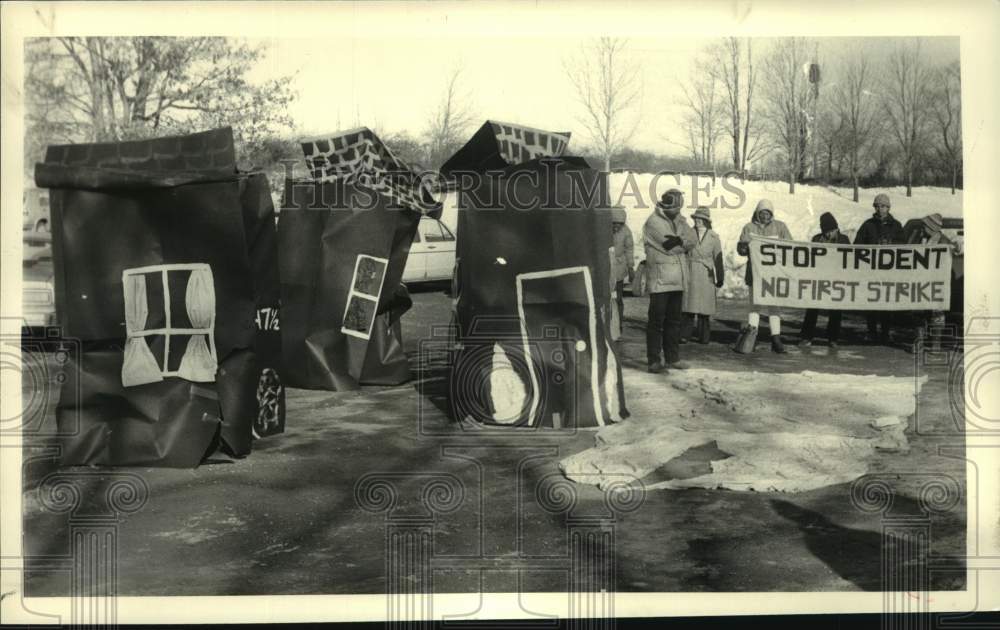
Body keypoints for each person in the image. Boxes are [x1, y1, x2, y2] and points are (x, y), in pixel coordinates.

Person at [644, 189, 696, 373]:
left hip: (678, 278)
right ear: (666, 206)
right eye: (676, 207)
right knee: (656, 322)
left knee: (674, 321)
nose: (679, 210)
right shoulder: (653, 222)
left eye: (680, 206)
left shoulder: (680, 220)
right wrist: (683, 243)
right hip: (660, 280)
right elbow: (668, 247)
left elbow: (693, 239)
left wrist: (680, 241)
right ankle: (653, 361)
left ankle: (673, 358)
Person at [735, 198, 793, 353]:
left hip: (773, 273)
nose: (765, 216)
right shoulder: (749, 227)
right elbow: (741, 247)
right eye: (762, 212)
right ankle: (752, 337)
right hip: (754, 273)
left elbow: (790, 246)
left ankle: (776, 339)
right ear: (757, 213)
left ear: (772, 214)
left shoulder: (780, 227)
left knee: (774, 306)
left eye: (768, 213)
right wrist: (744, 248)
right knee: (755, 305)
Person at [854, 193, 905, 345]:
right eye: (876, 206)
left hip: (889, 272)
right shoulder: (867, 225)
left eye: (882, 206)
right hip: (871, 271)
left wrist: (891, 246)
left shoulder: (896, 225)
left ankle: (885, 332)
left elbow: (905, 247)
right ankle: (871, 332)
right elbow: (857, 246)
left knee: (887, 303)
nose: (879, 209)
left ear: (888, 207)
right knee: (871, 303)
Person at [799, 212, 851, 348]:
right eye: (826, 231)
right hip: (819, 278)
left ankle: (833, 338)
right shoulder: (817, 239)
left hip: (837, 279)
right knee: (812, 308)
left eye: (831, 231)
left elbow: (850, 259)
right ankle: (807, 337)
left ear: (836, 229)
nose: (828, 234)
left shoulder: (844, 240)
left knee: (835, 310)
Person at [681, 206, 724, 344]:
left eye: (701, 219)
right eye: (696, 218)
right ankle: (684, 335)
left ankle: (704, 336)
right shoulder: (688, 234)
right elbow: (681, 252)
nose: (698, 221)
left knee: (704, 307)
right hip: (691, 270)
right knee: (688, 305)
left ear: (706, 221)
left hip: (706, 274)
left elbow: (718, 257)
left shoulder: (713, 236)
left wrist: (720, 276)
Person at [611, 206, 634, 329]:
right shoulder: (603, 230)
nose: (616, 227)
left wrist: (631, 268)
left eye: (619, 224)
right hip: (606, 268)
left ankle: (618, 324)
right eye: (614, 223)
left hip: (619, 269)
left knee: (618, 298)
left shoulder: (626, 232)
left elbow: (629, 250)